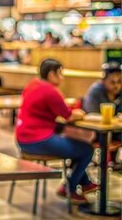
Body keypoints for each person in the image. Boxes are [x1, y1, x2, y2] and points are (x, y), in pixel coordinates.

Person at [16, 59, 96, 203]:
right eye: (60, 73)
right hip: (37, 140)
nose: (62, 77)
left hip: (23, 137)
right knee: (86, 150)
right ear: (52, 74)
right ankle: (69, 188)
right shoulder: (50, 90)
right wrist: (80, 113)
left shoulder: (33, 84)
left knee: (77, 146)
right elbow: (69, 116)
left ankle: (85, 183)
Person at [83, 63, 122, 167]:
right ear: (103, 80)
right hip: (95, 132)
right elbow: (91, 114)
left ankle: (113, 161)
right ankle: (106, 162)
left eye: (119, 82)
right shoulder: (95, 92)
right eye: (112, 82)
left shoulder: (120, 93)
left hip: (115, 130)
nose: (116, 85)